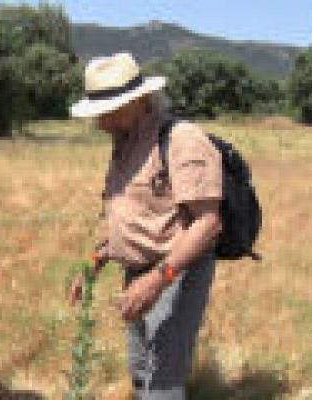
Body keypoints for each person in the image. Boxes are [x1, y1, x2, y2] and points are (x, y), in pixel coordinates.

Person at [67, 53, 223, 400]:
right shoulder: (124, 143)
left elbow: (208, 223)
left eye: (110, 111)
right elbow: (131, 216)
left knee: (162, 381)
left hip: (175, 273)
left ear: (139, 101)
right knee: (140, 373)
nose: (101, 122)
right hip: (138, 276)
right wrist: (94, 262)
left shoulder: (182, 139)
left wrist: (158, 279)